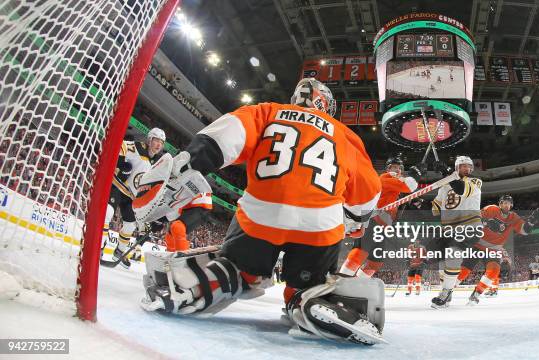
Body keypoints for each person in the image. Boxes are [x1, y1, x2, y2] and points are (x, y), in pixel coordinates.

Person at [138, 78, 386, 345]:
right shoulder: (345, 135)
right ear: (324, 103)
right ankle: (307, 298)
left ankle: (205, 282)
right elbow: (369, 191)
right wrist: (355, 218)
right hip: (320, 222)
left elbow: (226, 135)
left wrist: (189, 161)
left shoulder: (268, 111)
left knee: (242, 270)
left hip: (261, 214)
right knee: (308, 282)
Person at [339, 155, 422, 278]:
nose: (397, 170)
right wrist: (414, 175)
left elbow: (399, 198)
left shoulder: (395, 184)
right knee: (361, 251)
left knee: (376, 261)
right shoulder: (385, 178)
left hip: (383, 225)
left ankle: (358, 282)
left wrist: (411, 204)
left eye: (399, 168)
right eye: (394, 167)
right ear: (387, 169)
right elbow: (409, 186)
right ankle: (342, 279)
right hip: (374, 219)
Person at [457, 195, 539, 305]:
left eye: (508, 203)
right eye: (504, 202)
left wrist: (531, 222)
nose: (506, 205)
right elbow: (473, 220)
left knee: (494, 271)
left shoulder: (513, 217)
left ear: (511, 205)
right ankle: (447, 291)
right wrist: (487, 222)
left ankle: (476, 295)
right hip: (478, 245)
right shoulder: (491, 209)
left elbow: (524, 231)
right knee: (464, 271)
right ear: (500, 204)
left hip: (494, 250)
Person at [100, 127, 166, 268]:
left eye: (161, 142)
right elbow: (121, 145)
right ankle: (98, 246)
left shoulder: (157, 162)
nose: (159, 145)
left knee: (130, 225)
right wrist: (121, 163)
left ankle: (120, 252)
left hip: (131, 196)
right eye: (156, 140)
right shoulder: (137, 147)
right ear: (149, 140)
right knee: (107, 213)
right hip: (117, 186)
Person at [429, 156, 483, 309]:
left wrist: (446, 173)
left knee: (453, 254)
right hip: (449, 230)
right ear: (456, 168)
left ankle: (445, 293)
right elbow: (435, 210)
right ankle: (447, 291)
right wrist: (418, 203)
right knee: (441, 260)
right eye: (463, 166)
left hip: (469, 226)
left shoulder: (475, 182)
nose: (467, 169)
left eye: (468, 166)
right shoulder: (444, 187)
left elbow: (461, 189)